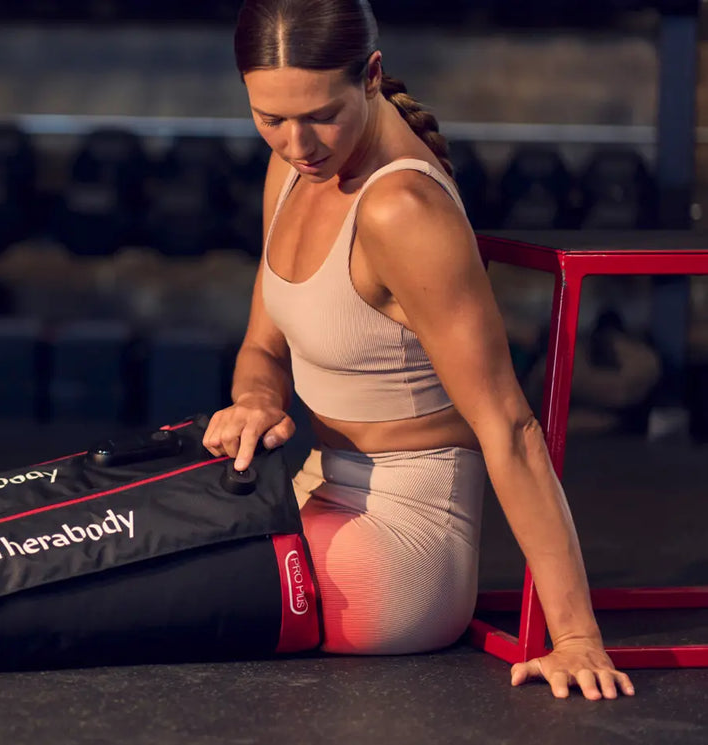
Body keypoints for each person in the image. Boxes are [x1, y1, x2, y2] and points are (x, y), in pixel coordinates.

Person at [202, 0, 633, 700]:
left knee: (149, 574)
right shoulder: (291, 172)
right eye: (270, 118)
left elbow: (509, 426)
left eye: (320, 115)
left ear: (371, 76)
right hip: (314, 488)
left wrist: (576, 639)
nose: (296, 143)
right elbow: (262, 346)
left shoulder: (401, 208)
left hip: (403, 538)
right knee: (131, 527)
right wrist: (254, 401)